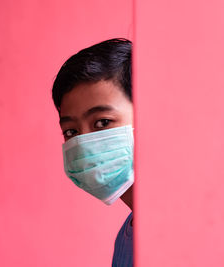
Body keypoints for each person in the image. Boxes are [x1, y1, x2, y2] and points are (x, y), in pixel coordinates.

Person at [51, 38, 134, 267]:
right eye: (71, 131)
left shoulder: (186, 230)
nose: (84, 142)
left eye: (102, 122)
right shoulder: (126, 237)